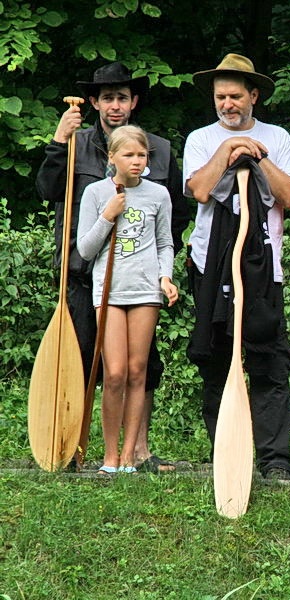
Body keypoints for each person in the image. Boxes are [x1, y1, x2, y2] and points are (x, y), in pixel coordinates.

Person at [36, 62, 190, 472]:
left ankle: (136, 451)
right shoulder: (76, 143)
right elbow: (48, 190)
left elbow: (172, 216)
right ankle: (73, 447)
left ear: (133, 101)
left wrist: (156, 266)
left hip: (136, 277)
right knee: (84, 357)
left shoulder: (156, 147)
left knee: (141, 366)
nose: (115, 105)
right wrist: (58, 139)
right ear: (94, 103)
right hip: (81, 269)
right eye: (107, 98)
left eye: (123, 97)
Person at [183, 53, 290, 480]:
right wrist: (227, 149)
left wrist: (257, 156)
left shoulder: (278, 137)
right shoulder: (200, 138)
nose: (227, 104)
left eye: (235, 96)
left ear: (253, 96)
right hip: (209, 266)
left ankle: (274, 461)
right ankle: (226, 454)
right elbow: (198, 189)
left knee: (268, 359)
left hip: (263, 267)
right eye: (221, 97)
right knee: (216, 358)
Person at [76, 125, 178, 474]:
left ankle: (130, 454)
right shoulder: (95, 193)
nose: (136, 161)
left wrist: (166, 277)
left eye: (141, 155)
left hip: (146, 290)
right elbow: (85, 250)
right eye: (128, 155)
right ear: (112, 157)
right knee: (115, 373)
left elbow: (165, 243)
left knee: (138, 371)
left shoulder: (158, 195)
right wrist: (108, 215)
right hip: (109, 291)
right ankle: (109, 457)